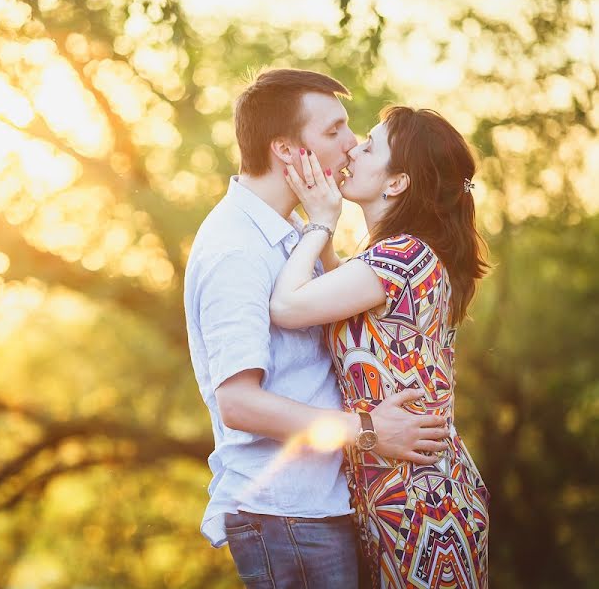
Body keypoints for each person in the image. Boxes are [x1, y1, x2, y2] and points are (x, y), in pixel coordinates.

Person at [183, 69, 450, 589]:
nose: (352, 146)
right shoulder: (235, 248)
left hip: (323, 505)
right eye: (334, 132)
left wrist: (321, 225)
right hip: (284, 511)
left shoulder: (290, 237)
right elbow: (238, 404)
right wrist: (368, 430)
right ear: (286, 149)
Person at [270, 106, 490, 588]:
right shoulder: (392, 257)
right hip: (405, 491)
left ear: (396, 184)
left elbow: (286, 306)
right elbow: (336, 285)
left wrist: (319, 223)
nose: (353, 148)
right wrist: (321, 221)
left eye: (370, 146)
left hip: (422, 502)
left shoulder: (403, 256)